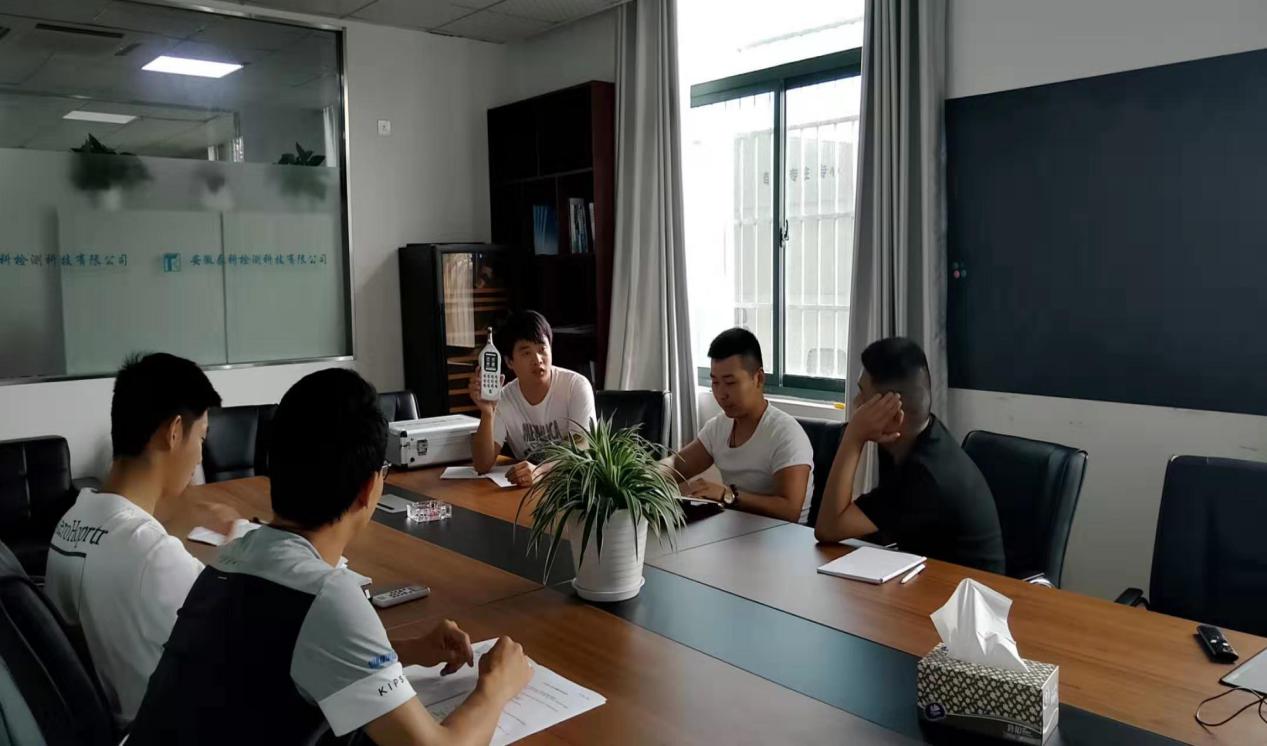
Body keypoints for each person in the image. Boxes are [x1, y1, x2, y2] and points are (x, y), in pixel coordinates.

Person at [127, 368, 532, 745]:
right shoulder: (324, 595)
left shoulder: (232, 557)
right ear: (369, 488)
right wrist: (495, 687)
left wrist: (404, 651)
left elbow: (286, 655)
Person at [44, 352, 244, 727]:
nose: (199, 456)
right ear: (174, 432)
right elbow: (240, 641)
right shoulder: (151, 553)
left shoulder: (73, 520)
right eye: (201, 438)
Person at [813, 337, 1005, 573]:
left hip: (963, 591)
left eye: (863, 395)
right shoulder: (916, 436)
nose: (856, 403)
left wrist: (854, 437)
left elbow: (828, 528)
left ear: (894, 412)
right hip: (924, 577)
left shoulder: (925, 473)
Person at [668, 328, 813, 524]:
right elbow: (677, 465)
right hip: (736, 531)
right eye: (715, 382)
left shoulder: (786, 433)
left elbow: (790, 510)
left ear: (758, 379)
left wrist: (727, 495)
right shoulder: (719, 426)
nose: (721, 394)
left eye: (730, 383)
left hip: (784, 537)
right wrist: (638, 476)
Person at [468, 310, 596, 486]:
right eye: (526, 353)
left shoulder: (575, 386)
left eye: (542, 349)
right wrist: (487, 413)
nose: (537, 360)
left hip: (574, 487)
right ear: (509, 362)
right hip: (529, 490)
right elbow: (482, 465)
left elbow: (583, 451)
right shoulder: (504, 398)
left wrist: (541, 471)